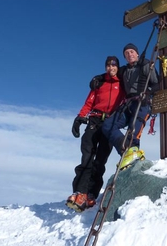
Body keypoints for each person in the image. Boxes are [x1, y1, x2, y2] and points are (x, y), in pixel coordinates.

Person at [66, 56, 125, 212]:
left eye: (113, 65)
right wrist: (80, 117)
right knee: (86, 156)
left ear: (118, 67)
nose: (110, 68)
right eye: (108, 65)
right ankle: (79, 192)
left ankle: (91, 194)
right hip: (94, 120)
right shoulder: (99, 83)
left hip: (110, 123)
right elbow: (89, 102)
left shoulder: (122, 83)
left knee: (100, 161)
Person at [99, 43, 159, 170]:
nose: (129, 54)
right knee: (108, 125)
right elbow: (112, 72)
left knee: (133, 130)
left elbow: (157, 84)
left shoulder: (146, 65)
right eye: (126, 53)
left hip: (142, 103)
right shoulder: (124, 70)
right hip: (127, 104)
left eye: (132, 52)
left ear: (137, 53)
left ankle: (131, 150)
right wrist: (98, 78)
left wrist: (147, 92)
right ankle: (129, 151)